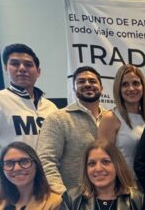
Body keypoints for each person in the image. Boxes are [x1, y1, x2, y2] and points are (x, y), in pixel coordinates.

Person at [0, 44, 57, 192]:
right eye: (15, 64)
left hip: (46, 190)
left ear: (38, 72)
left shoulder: (51, 108)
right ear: (6, 68)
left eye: (28, 65)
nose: (22, 68)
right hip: (8, 191)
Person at [38, 66, 106, 194]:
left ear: (102, 88)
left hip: (109, 196)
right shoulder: (58, 119)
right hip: (74, 199)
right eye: (81, 81)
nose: (87, 84)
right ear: (74, 89)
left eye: (92, 81)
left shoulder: (111, 118)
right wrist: (64, 196)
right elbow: (46, 161)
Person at [98, 64, 145, 172]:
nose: (131, 88)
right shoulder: (110, 118)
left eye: (135, 83)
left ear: (143, 86)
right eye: (125, 84)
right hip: (122, 182)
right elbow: (103, 160)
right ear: (118, 89)